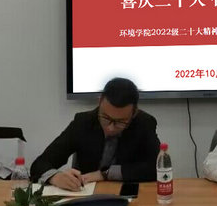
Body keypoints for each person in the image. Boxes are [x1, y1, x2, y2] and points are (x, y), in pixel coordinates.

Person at [30, 77, 160, 189]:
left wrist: (105, 174)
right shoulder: (83, 122)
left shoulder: (144, 123)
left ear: (134, 113)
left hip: (127, 194)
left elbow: (157, 167)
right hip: (86, 195)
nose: (110, 128)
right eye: (106, 118)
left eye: (120, 122)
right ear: (100, 101)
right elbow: (40, 164)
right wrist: (55, 177)